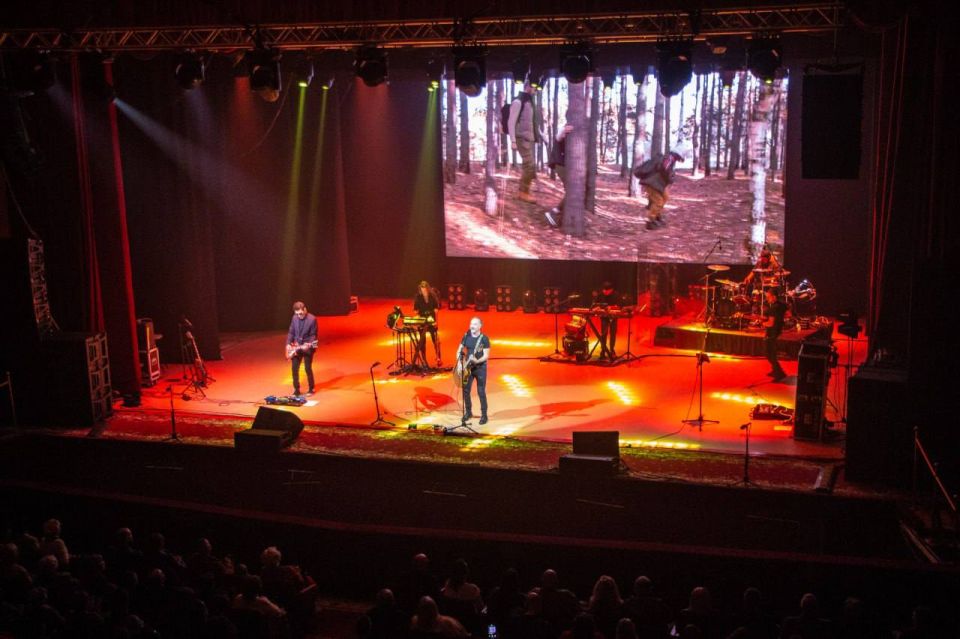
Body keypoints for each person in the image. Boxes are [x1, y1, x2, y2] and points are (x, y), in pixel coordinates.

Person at [508, 81, 544, 204]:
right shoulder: (518, 102)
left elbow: (533, 123)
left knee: (529, 166)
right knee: (529, 165)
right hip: (521, 138)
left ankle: (525, 191)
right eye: (534, 87)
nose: (535, 90)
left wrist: (542, 136)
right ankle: (523, 193)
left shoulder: (530, 103)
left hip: (529, 139)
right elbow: (511, 122)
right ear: (527, 87)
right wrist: (513, 140)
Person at [634, 151, 683, 230]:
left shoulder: (668, 159)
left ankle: (657, 216)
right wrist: (670, 178)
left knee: (665, 197)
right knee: (658, 201)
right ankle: (651, 221)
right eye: (680, 159)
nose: (680, 160)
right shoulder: (669, 159)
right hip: (652, 183)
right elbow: (664, 169)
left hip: (658, 184)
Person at [457, 317, 491, 426]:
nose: (472, 326)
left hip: (480, 368)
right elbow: (459, 350)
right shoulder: (466, 336)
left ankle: (484, 415)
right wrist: (459, 364)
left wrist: (477, 360)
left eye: (475, 324)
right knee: (466, 390)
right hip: (468, 367)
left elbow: (486, 355)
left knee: (481, 391)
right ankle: (468, 412)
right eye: (471, 323)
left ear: (480, 326)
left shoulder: (484, 339)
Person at [545, 117, 574, 229]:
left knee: (572, 191)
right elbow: (558, 138)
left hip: (563, 164)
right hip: (560, 164)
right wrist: (562, 131)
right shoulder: (566, 129)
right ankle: (553, 213)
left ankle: (558, 215)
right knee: (572, 191)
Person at [287, 301, 318, 396]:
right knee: (294, 368)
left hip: (308, 346)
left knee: (307, 368)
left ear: (305, 310)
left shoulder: (312, 319)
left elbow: (313, 335)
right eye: (297, 314)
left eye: (300, 313)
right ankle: (296, 390)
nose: (299, 316)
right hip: (297, 346)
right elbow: (291, 332)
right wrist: (288, 343)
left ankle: (311, 388)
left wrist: (308, 344)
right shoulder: (294, 318)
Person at [413, 280, 442, 367]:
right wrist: (417, 318)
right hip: (422, 320)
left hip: (431, 320)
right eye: (422, 290)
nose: (424, 292)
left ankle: (438, 358)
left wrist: (436, 322)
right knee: (422, 341)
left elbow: (436, 310)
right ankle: (424, 359)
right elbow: (416, 310)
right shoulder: (418, 297)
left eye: (425, 290)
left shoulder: (433, 296)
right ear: (420, 289)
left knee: (435, 340)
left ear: (428, 289)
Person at [763, 289, 788, 381]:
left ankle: (779, 373)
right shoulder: (782, 305)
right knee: (772, 352)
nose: (767, 299)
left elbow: (770, 323)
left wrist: (763, 323)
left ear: (774, 297)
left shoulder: (773, 308)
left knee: (769, 354)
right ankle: (775, 370)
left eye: (768, 297)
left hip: (772, 332)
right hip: (778, 330)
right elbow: (788, 314)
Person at [594, 281, 620, 360]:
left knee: (613, 334)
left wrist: (611, 307)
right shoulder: (600, 294)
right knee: (603, 334)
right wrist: (597, 307)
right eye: (604, 290)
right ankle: (603, 350)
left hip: (613, 317)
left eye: (607, 290)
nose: (604, 292)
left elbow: (619, 306)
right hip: (604, 317)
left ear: (611, 290)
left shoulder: (616, 295)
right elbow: (595, 303)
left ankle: (612, 350)